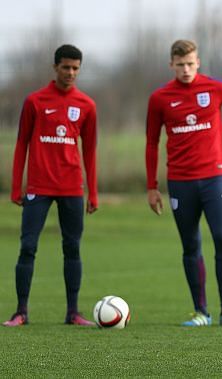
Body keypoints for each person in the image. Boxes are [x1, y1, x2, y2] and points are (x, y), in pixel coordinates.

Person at [145, 39, 222, 327]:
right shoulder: (160, 98)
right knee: (191, 245)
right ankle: (200, 312)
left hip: (215, 179)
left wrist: (218, 133)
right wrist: (152, 187)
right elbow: (151, 143)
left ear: (198, 62)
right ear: (171, 65)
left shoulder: (216, 88)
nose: (186, 69)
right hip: (180, 182)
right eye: (180, 65)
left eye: (190, 63)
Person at [4, 44, 98, 327]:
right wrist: (15, 186)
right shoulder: (35, 101)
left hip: (71, 187)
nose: (71, 73)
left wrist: (92, 191)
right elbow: (21, 144)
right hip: (39, 186)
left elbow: (90, 150)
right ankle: (21, 311)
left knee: (72, 248)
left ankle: (73, 313)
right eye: (66, 67)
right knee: (28, 247)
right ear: (55, 67)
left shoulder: (87, 105)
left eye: (75, 68)